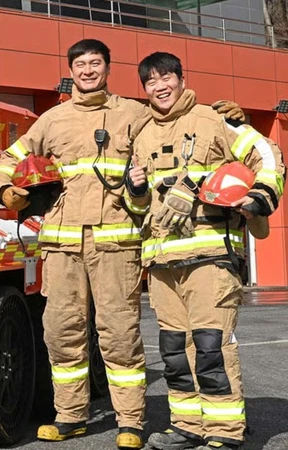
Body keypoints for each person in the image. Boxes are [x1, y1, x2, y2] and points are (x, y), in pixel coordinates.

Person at [0, 39, 245, 450]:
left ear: (108, 69)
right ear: (70, 71)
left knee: (120, 335)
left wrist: (225, 116)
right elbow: (10, 157)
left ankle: (130, 420)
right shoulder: (51, 120)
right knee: (61, 334)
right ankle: (70, 415)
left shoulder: (135, 113)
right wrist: (7, 189)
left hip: (117, 246)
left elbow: (177, 119)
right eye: (80, 64)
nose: (88, 70)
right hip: (62, 247)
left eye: (95, 63)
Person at [125, 52, 284, 450]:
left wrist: (259, 198)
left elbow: (266, 155)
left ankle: (225, 432)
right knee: (175, 352)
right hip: (162, 263)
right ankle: (187, 427)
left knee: (210, 347)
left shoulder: (216, 119)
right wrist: (138, 189)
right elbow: (140, 208)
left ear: (181, 78)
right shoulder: (142, 135)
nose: (159, 87)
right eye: (151, 82)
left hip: (211, 257)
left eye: (166, 78)